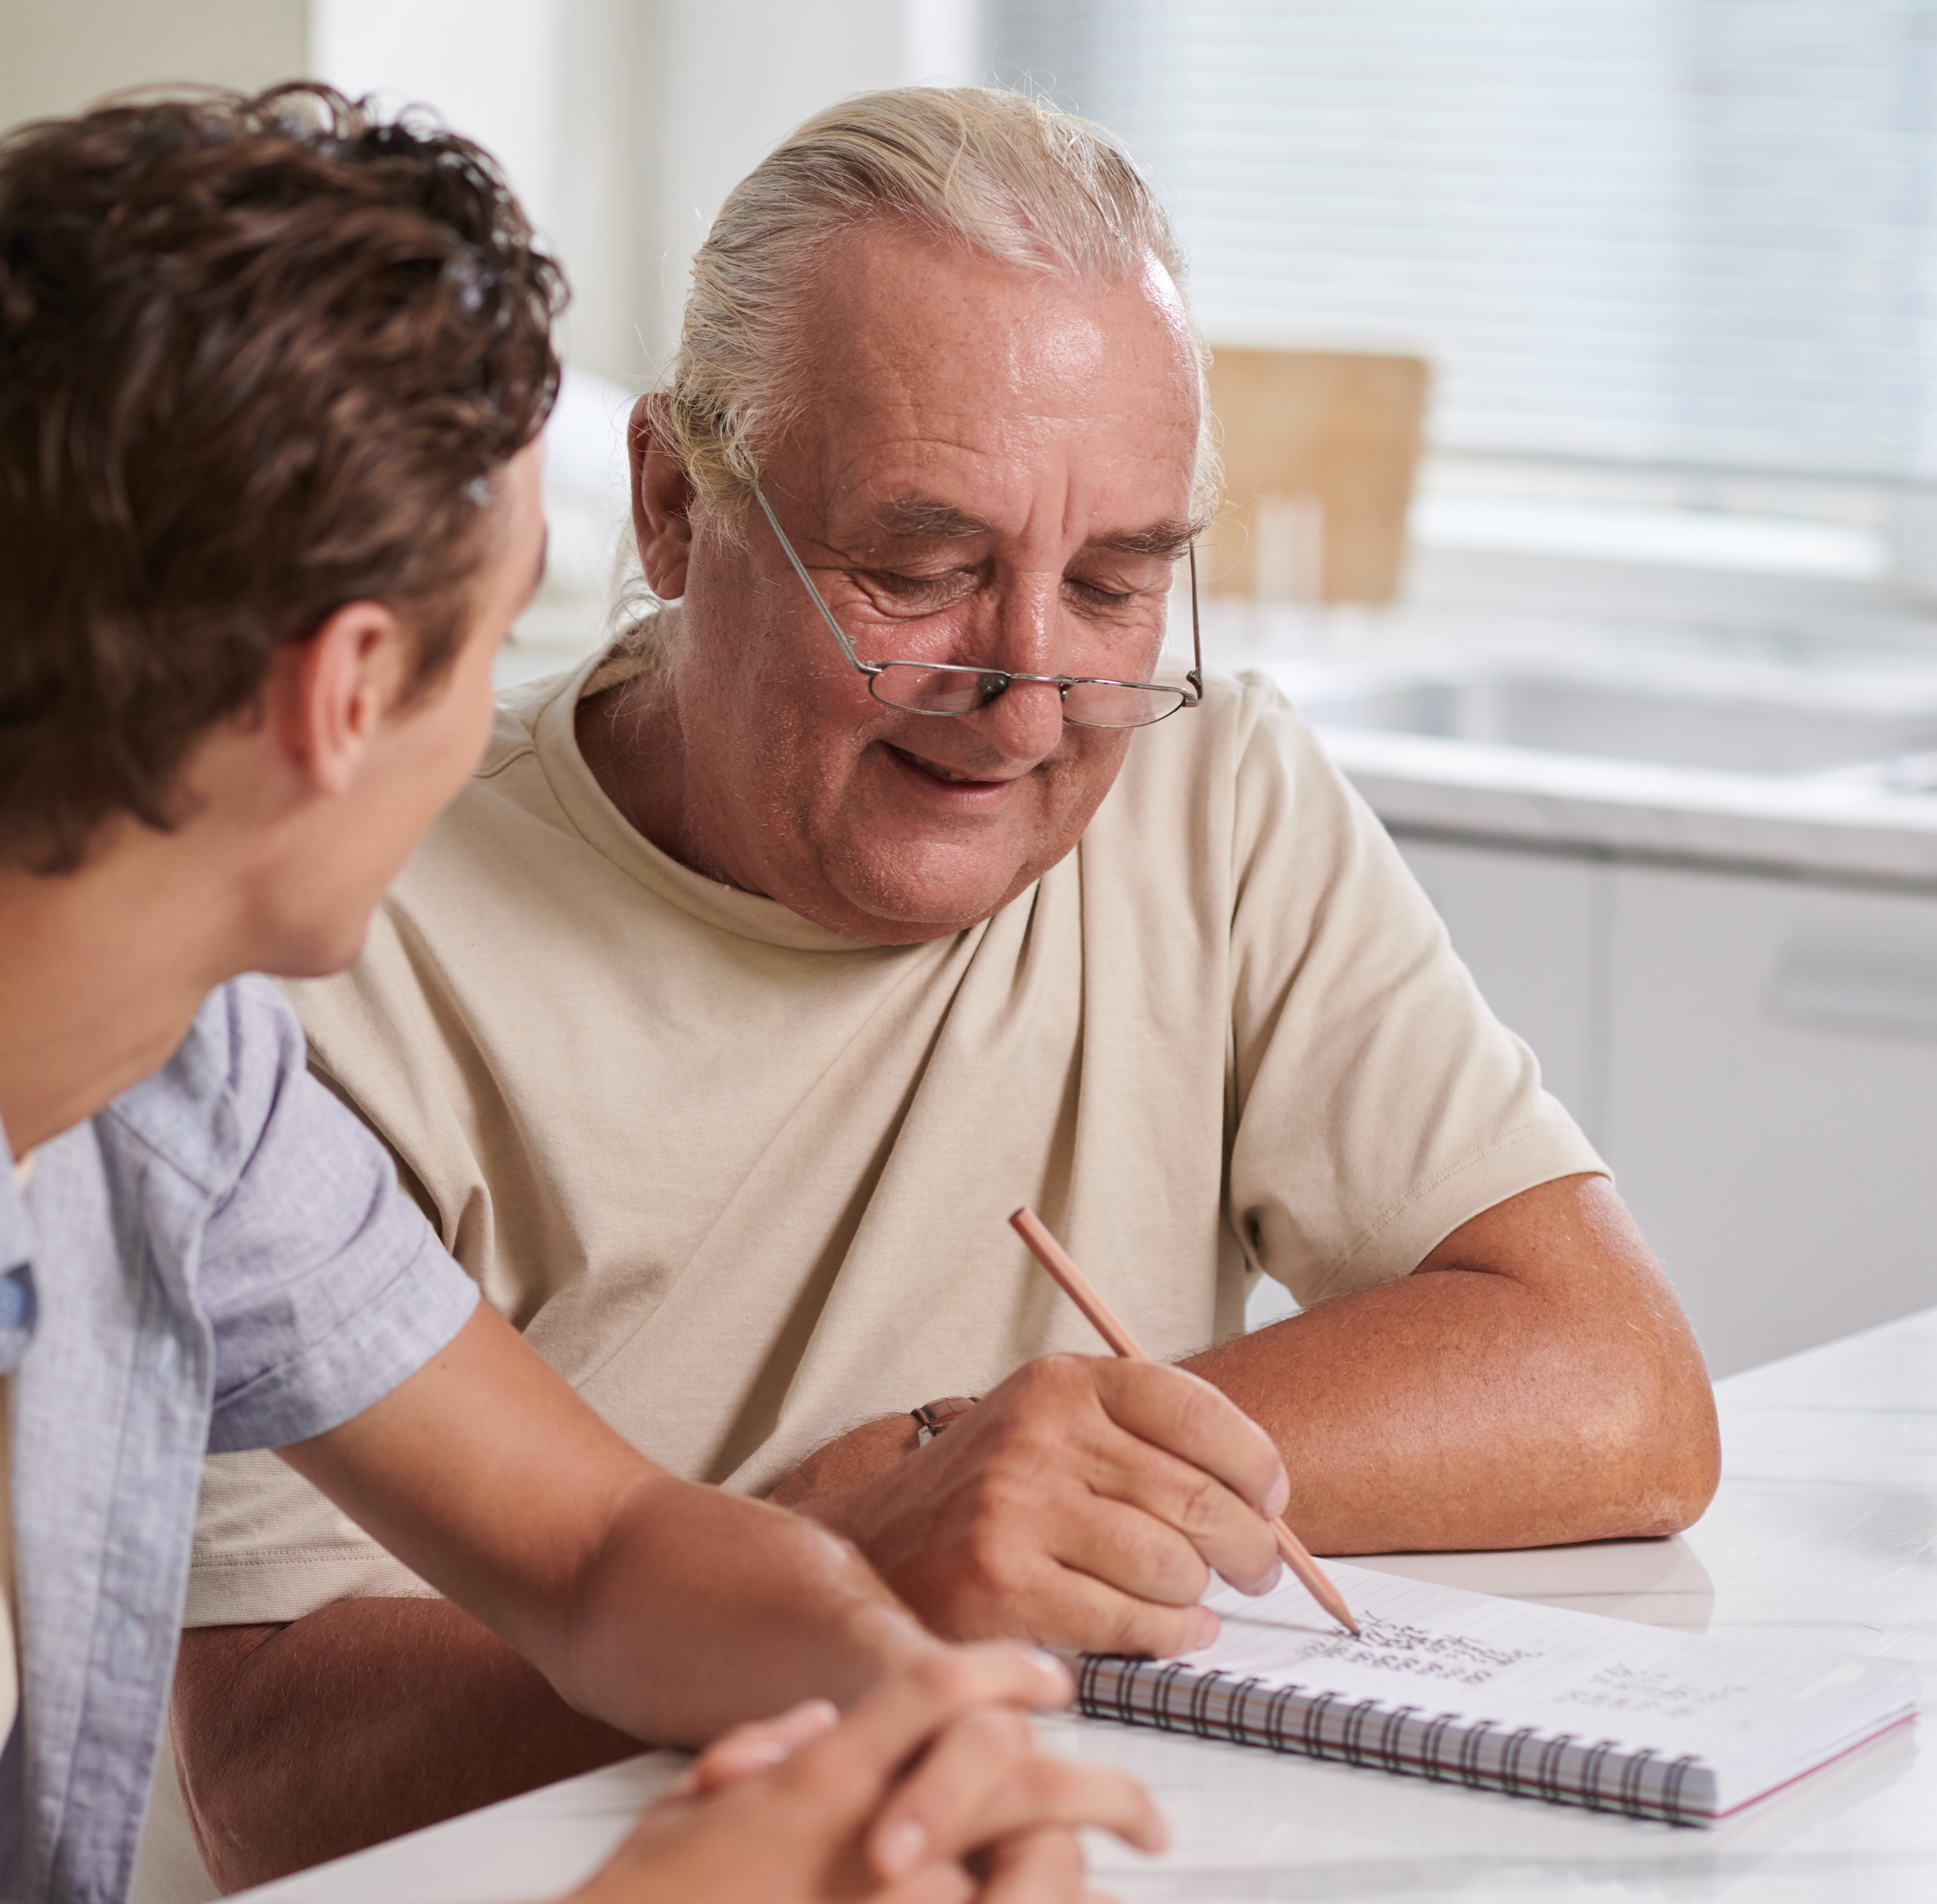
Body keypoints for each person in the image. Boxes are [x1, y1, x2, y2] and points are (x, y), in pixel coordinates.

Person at [0, 87, 1168, 1904]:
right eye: (497, 641)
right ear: (346, 694)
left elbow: (598, 1553)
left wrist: (902, 1714)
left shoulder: (154, 1046)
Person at [172, 84, 1726, 1886]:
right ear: (676, 505)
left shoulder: (1212, 795)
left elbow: (1622, 1387)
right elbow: (264, 1772)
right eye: (921, 569)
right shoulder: (348, 929)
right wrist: (860, 1555)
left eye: (1116, 584)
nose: (1033, 697)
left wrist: (1021, 1476)